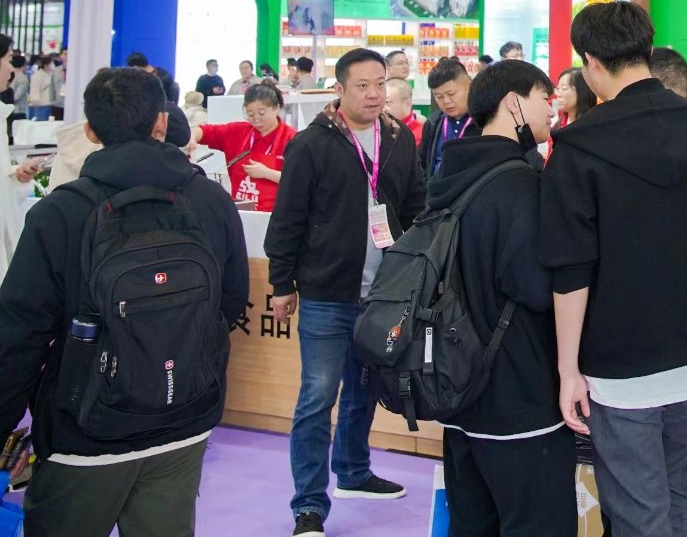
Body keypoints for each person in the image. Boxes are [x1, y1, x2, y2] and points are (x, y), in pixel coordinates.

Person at [0, 67, 248, 537]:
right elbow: (231, 302)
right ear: (161, 122)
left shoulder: (60, 212)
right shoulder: (211, 200)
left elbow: (19, 337)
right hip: (186, 417)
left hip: (85, 430)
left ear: (91, 131)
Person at [541, 1, 687, 537]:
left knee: (638, 513)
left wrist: (567, 370)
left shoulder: (578, 148)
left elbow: (570, 271)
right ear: (647, 51)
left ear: (591, 63)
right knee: (673, 501)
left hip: (620, 367)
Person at [266, 47, 425, 534]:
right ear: (339, 89)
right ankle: (308, 506)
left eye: (380, 84)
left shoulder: (398, 138)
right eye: (362, 86)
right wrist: (281, 282)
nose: (374, 94)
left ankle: (354, 472)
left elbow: (415, 205)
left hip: (382, 295)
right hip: (326, 293)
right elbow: (287, 218)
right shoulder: (312, 143)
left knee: (363, 389)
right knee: (317, 397)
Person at [431, 60, 574, 535]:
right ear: (513, 103)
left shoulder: (450, 174)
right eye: (543, 98)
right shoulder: (520, 185)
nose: (551, 109)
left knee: (472, 523)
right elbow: (535, 287)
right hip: (518, 397)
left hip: (456, 388)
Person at [197, 80, 297, 211]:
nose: (256, 119)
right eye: (250, 114)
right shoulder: (238, 132)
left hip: (275, 215)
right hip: (241, 212)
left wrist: (267, 173)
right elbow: (204, 132)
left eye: (261, 113)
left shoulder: (292, 139)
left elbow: (299, 180)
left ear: (276, 108)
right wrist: (192, 137)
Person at [420, 56, 474, 177]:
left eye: (451, 94)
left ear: (469, 86)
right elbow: (421, 162)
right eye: (439, 96)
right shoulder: (433, 123)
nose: (446, 101)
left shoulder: (485, 122)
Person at [554, 65, 595, 130]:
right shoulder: (557, 123)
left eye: (564, 88)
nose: (557, 94)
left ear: (581, 91)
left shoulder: (592, 126)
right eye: (558, 88)